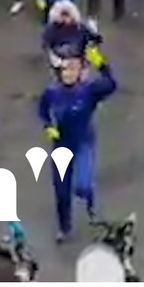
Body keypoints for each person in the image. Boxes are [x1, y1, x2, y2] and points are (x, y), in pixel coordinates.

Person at [37, 45, 117, 241]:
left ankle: (89, 198)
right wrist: (48, 126)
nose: (69, 73)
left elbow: (111, 84)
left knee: (82, 185)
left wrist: (102, 64)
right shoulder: (51, 92)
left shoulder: (89, 90)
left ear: (81, 71)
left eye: (74, 68)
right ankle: (64, 228)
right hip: (61, 146)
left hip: (83, 143)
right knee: (62, 191)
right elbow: (42, 110)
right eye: (65, 68)